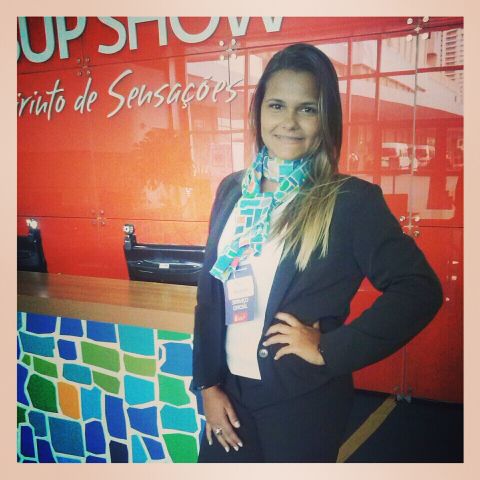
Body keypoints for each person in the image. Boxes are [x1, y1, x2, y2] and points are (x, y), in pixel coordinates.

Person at [191, 43, 443, 463]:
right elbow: (210, 292)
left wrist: (330, 347)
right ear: (259, 112)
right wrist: (208, 385)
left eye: (306, 109)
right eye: (276, 105)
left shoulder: (350, 201)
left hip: (302, 400)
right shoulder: (234, 189)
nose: (288, 122)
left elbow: (419, 290)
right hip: (229, 394)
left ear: (325, 118)